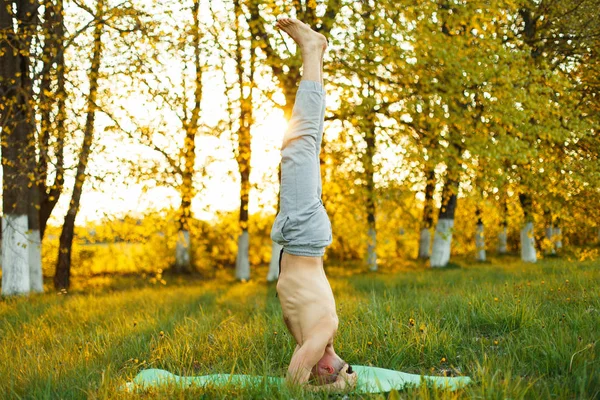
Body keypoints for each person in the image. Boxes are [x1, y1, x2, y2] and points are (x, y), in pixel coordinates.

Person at [270, 18, 357, 392]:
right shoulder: (323, 332)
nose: (314, 371)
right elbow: (296, 374)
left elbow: (303, 364)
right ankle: (312, 48)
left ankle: (314, 51)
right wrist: (300, 391)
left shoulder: (317, 336)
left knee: (301, 143)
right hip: (303, 235)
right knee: (303, 139)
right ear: (331, 367)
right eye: (323, 374)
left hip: (298, 237)